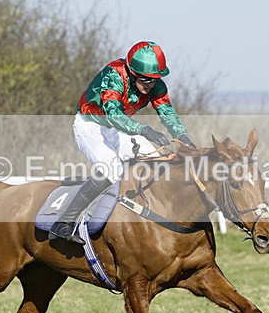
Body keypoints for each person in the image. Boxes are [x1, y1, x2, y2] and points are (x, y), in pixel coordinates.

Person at [49, 40, 196, 244]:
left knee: (156, 161)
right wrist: (144, 130)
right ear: (133, 72)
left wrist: (182, 137)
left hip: (118, 127)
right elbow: (113, 115)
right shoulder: (114, 75)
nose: (149, 85)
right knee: (111, 170)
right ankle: (63, 223)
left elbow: (166, 111)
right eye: (145, 80)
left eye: (154, 80)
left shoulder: (155, 84)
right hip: (90, 125)